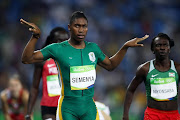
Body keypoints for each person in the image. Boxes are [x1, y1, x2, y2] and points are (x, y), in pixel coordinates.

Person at [20, 11, 148, 120]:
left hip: (89, 107)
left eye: (84, 26)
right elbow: (27, 58)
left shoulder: (93, 48)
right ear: (69, 27)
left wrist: (125, 47)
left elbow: (111, 65)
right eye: (77, 26)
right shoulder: (58, 49)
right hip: (68, 108)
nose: (81, 30)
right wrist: (35, 37)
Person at [123, 33, 180, 120]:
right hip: (153, 115)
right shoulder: (145, 69)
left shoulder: (177, 68)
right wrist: (125, 115)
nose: (162, 48)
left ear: (169, 49)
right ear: (153, 49)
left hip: (173, 115)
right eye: (158, 45)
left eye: (165, 45)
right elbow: (131, 90)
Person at [25, 27, 69, 120]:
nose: (63, 44)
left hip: (68, 106)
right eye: (60, 41)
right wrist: (28, 113)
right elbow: (34, 87)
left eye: (66, 41)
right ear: (52, 41)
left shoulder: (71, 60)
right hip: (48, 107)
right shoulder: (43, 60)